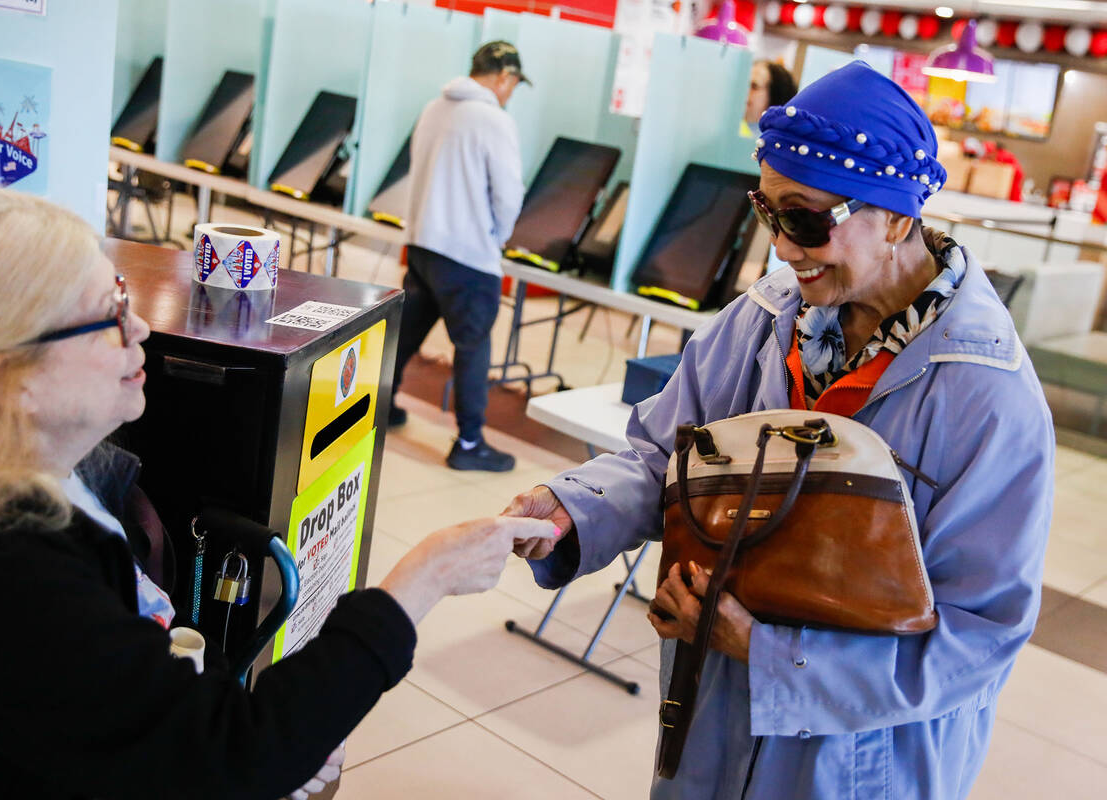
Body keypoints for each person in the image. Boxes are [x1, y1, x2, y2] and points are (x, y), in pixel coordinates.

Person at [507, 62, 1053, 799]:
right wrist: (573, 506)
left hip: (860, 764)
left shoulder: (988, 398)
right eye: (767, 214)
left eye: (804, 220)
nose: (782, 248)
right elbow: (664, 457)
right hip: (710, 719)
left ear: (894, 217)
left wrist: (774, 657)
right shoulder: (765, 320)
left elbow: (979, 637)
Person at [0, 187, 556, 800]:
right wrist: (426, 576)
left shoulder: (5, 489)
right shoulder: (2, 567)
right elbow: (234, 756)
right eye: (107, 317)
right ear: (8, 378)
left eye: (125, 298)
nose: (139, 331)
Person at [390, 40, 528, 473]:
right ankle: (469, 443)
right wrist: (496, 238)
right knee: (472, 347)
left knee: (405, 333)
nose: (511, 93)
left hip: (425, 245)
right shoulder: (493, 120)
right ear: (504, 77)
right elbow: (508, 195)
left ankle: (376, 407)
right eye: (514, 85)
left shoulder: (434, 108)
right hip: (468, 256)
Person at [743, 59, 796, 137]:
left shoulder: (773, 142)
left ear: (775, 96)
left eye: (754, 86)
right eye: (744, 82)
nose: (744, 89)